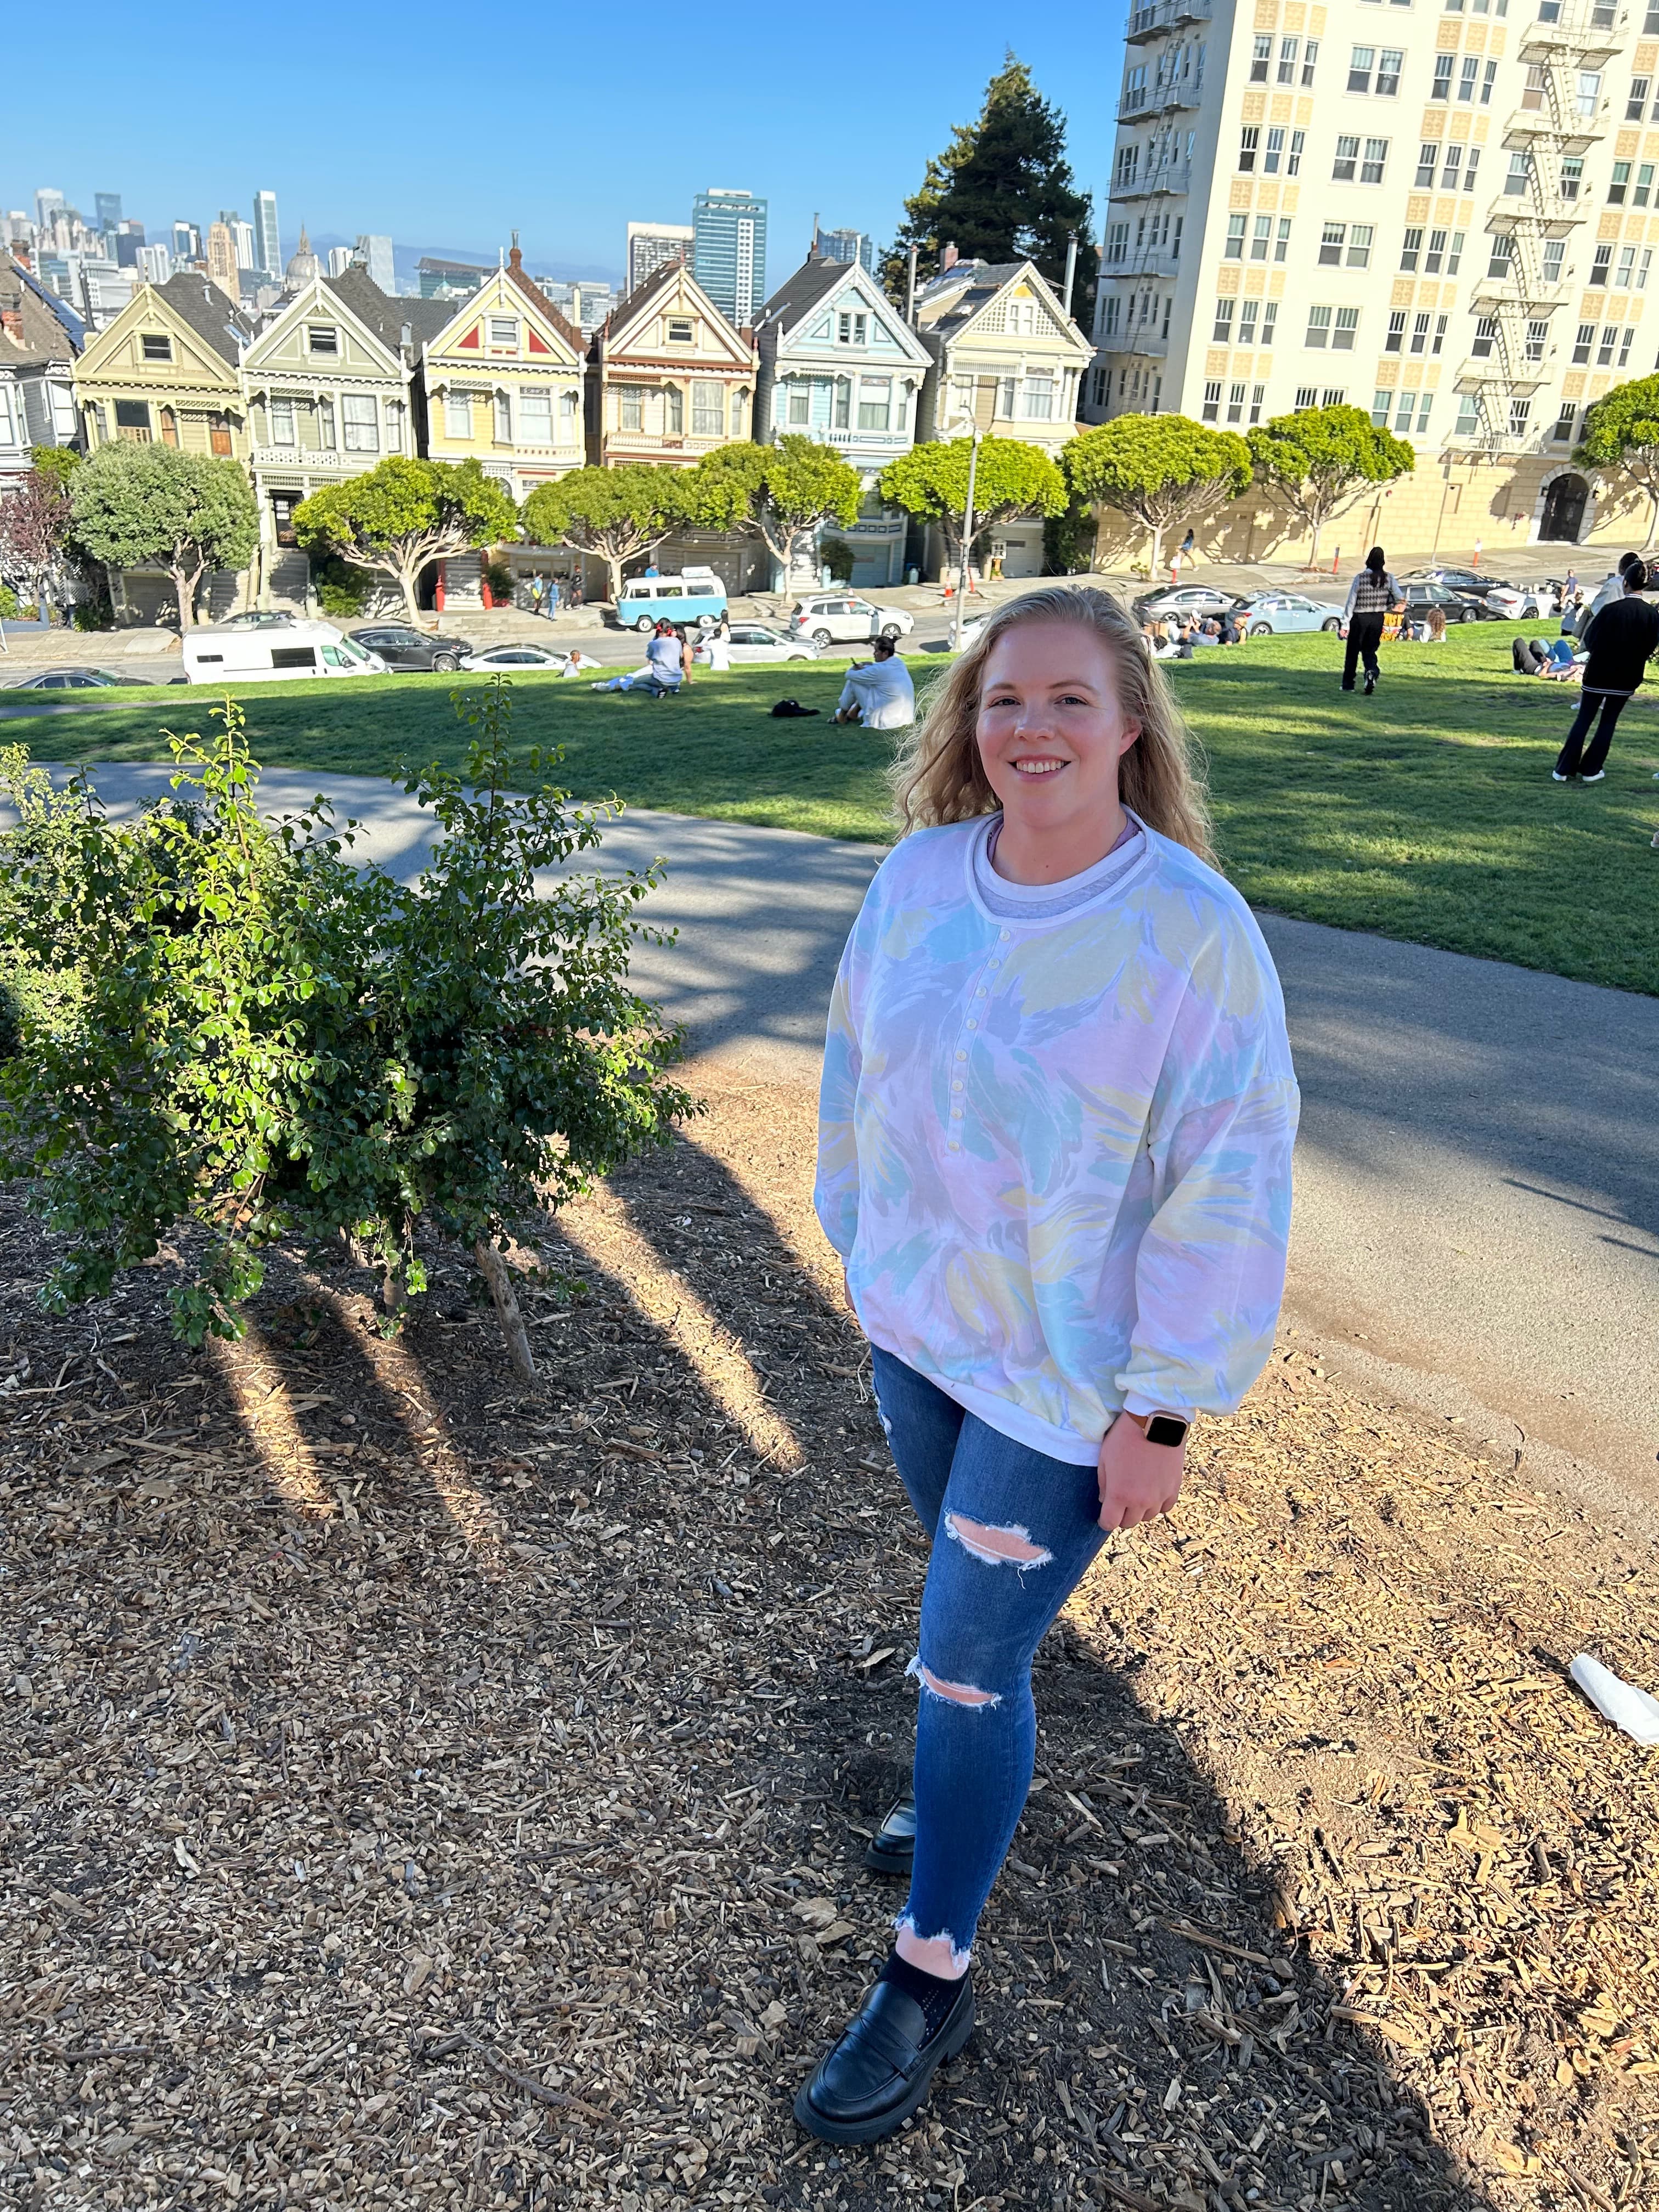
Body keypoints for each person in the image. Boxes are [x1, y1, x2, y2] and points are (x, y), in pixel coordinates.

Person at [798, 585, 1298, 2147]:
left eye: (1071, 700)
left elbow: (1234, 1177)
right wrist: (866, 1264)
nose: (1033, 728)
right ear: (970, 721)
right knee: (970, 1632)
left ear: (1133, 723)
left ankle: (929, 1973)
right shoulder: (922, 878)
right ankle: (960, 1786)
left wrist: (1164, 1407)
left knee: (966, 1656)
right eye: (1006, 699)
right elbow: (856, 1074)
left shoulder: (1189, 931)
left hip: (1071, 1385)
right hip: (922, 1337)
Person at [1553, 555, 1659, 781]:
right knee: (1608, 721)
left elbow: (1590, 641)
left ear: (1625, 582)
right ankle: (1591, 769)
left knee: (1584, 718)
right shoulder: (1651, 615)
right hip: (1627, 675)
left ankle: (1563, 769)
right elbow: (1651, 645)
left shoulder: (1611, 610)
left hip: (1599, 672)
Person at [1340, 546, 1402, 695]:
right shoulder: (1389, 578)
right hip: (1378, 618)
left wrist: (1345, 623)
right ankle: (1371, 671)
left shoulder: (1360, 578)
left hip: (1360, 618)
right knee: (1370, 650)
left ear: (1368, 560)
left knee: (1353, 652)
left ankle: (1348, 685)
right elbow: (1400, 597)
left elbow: (1351, 602)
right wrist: (1389, 604)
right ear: (1383, 562)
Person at [833, 635, 916, 728]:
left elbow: (849, 675)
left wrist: (858, 666)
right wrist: (867, 666)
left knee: (854, 682)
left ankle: (842, 715)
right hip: (904, 718)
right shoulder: (899, 663)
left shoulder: (879, 670)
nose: (874, 654)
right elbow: (877, 672)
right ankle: (853, 712)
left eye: (876, 651)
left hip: (884, 720)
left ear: (885, 653)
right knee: (866, 682)